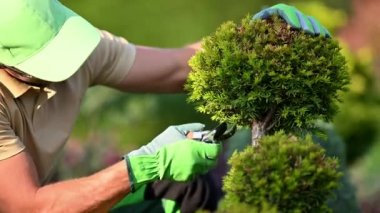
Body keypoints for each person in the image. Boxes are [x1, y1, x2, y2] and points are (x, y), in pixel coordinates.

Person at [0, 0, 329, 212]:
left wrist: (257, 39)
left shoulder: (76, 46)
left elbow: (177, 67)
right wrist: (142, 164)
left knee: (184, 189)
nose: (68, 64)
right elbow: (30, 208)